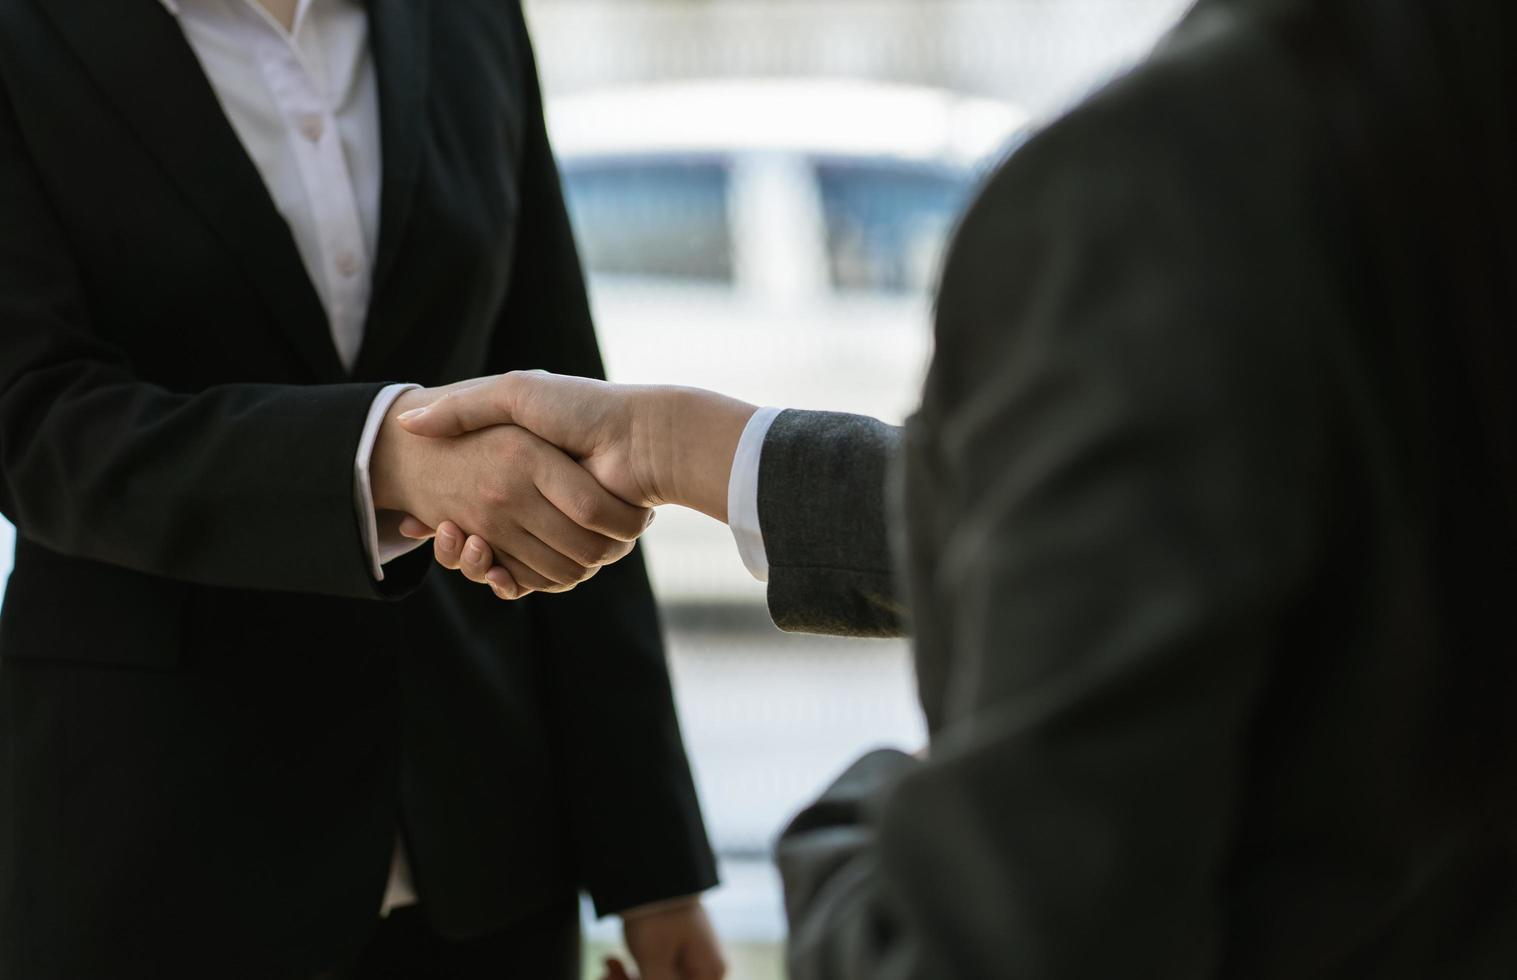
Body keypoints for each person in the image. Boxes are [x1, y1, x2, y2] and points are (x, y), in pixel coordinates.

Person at [389, 0, 1517, 975]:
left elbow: (987, 942)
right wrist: (695, 447)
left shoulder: (1161, 181)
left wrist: (857, 818)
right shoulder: (1435, 96)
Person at [0, 1, 724, 977]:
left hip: (488, 850)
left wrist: (654, 867)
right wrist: (376, 459)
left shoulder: (469, 18)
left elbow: (566, 406)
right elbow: (32, 416)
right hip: (158, 847)